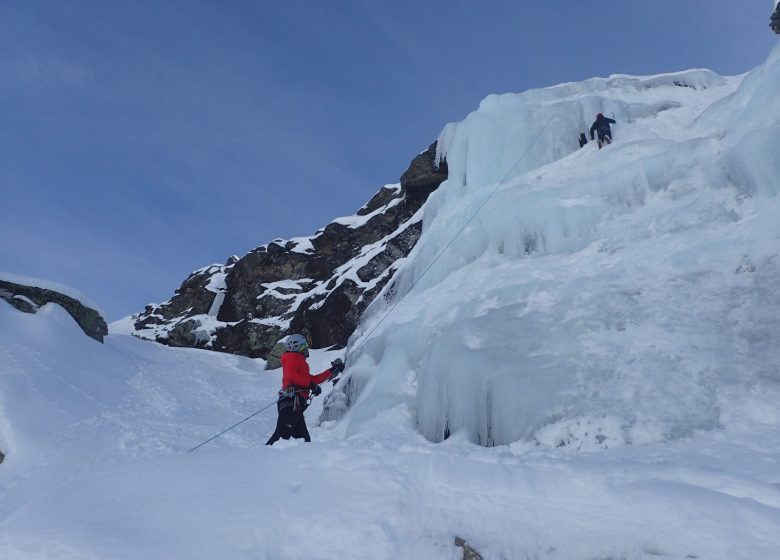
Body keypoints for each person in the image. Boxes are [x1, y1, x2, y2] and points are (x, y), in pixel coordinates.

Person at [265, 334, 344, 445]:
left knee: (303, 439)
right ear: (297, 346)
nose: (306, 348)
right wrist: (310, 385)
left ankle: (300, 461)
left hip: (294, 404)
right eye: (304, 346)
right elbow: (291, 376)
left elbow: (313, 379)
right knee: (281, 435)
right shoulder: (291, 357)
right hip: (291, 402)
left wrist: (332, 370)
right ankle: (263, 457)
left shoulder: (298, 360)